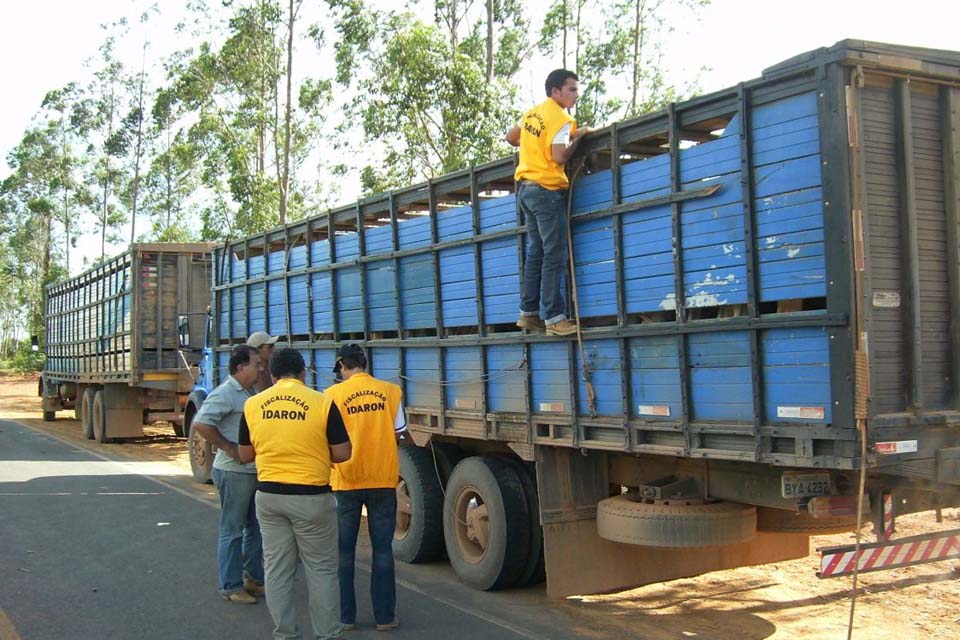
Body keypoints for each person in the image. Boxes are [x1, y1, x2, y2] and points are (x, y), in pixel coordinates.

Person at [238, 348, 352, 640]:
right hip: (312, 497)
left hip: (269, 496)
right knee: (321, 570)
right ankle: (328, 634)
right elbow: (343, 453)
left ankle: (285, 634)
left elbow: (245, 455)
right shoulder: (322, 402)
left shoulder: (253, 405)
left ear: (273, 375)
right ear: (303, 374)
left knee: (277, 570)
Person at [506, 69, 593, 337]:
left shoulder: (533, 113)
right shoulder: (562, 118)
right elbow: (559, 156)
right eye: (572, 89)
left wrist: (534, 146)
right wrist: (579, 136)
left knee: (536, 253)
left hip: (526, 190)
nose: (576, 95)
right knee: (554, 254)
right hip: (546, 190)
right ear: (556, 91)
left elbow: (511, 137)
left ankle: (529, 313)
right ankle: (554, 318)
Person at [326, 344, 406, 632]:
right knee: (382, 551)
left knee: (344, 552)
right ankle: (384, 617)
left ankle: (346, 617)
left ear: (342, 366)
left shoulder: (332, 395)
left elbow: (328, 439)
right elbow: (399, 433)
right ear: (365, 363)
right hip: (382, 479)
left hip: (346, 480)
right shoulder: (391, 391)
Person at [191, 344, 265, 604]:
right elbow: (201, 423)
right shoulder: (225, 393)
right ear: (241, 367)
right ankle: (231, 586)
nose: (261, 369)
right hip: (234, 472)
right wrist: (229, 447)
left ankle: (253, 578)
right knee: (232, 530)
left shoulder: (250, 391)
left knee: (255, 528)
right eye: (256, 364)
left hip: (252, 470)